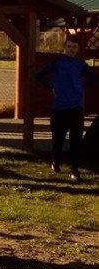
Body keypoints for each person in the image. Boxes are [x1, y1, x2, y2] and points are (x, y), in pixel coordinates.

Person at [35, 37, 97, 183]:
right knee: (58, 138)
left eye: (74, 47)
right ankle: (55, 162)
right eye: (69, 46)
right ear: (64, 48)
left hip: (76, 108)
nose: (71, 49)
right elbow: (38, 75)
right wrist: (51, 86)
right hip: (59, 108)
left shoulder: (80, 65)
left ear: (78, 49)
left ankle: (74, 169)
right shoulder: (57, 63)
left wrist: (81, 85)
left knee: (76, 140)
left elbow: (93, 79)